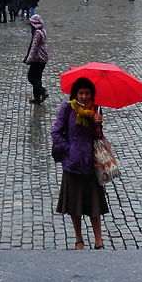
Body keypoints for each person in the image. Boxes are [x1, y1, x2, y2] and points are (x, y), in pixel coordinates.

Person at [50, 77, 108, 250]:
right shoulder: (67, 109)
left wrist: (98, 124)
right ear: (75, 94)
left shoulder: (96, 110)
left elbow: (98, 137)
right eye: (81, 93)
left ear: (92, 95)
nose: (84, 96)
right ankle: (79, 239)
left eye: (87, 93)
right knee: (75, 205)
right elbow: (56, 132)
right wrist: (69, 150)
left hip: (91, 163)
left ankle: (99, 240)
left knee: (94, 204)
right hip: (72, 163)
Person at [24, 13, 50, 103]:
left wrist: (28, 59)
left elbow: (33, 47)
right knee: (37, 78)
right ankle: (37, 98)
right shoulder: (43, 30)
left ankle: (43, 91)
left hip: (38, 58)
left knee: (31, 77)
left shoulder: (37, 33)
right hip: (43, 58)